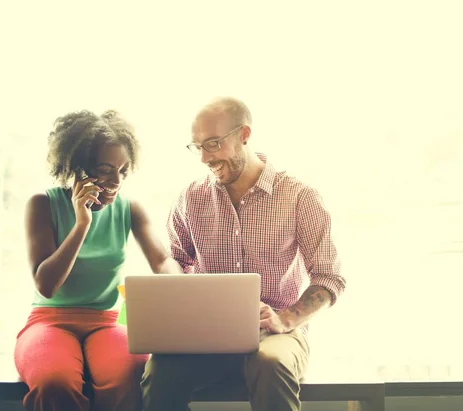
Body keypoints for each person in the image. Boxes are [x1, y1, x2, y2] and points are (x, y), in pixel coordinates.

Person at [140, 97, 346, 411]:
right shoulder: (191, 198)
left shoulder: (298, 196)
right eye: (197, 147)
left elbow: (329, 278)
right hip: (208, 336)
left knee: (270, 363)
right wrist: (172, 299)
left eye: (212, 144)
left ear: (244, 134)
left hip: (277, 334)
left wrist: (285, 318)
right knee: (159, 371)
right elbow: (176, 262)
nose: (204, 158)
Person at [13, 109, 182, 411]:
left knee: (130, 375)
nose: (116, 180)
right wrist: (82, 224)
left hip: (109, 321)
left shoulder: (130, 209)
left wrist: (180, 284)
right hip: (50, 321)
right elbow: (47, 285)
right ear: (77, 167)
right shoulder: (42, 204)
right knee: (55, 382)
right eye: (105, 169)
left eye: (124, 170)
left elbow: (162, 260)